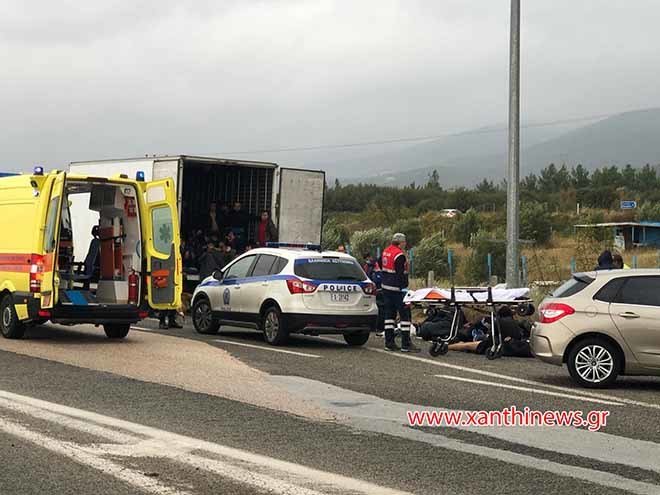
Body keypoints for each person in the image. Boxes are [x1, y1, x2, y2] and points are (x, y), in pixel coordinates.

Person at [381, 233, 419, 352]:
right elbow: (400, 273)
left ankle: (389, 342)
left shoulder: (386, 251)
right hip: (397, 290)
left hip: (386, 288)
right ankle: (405, 344)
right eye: (404, 242)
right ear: (400, 242)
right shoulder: (399, 255)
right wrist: (404, 287)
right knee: (405, 315)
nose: (405, 244)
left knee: (389, 316)